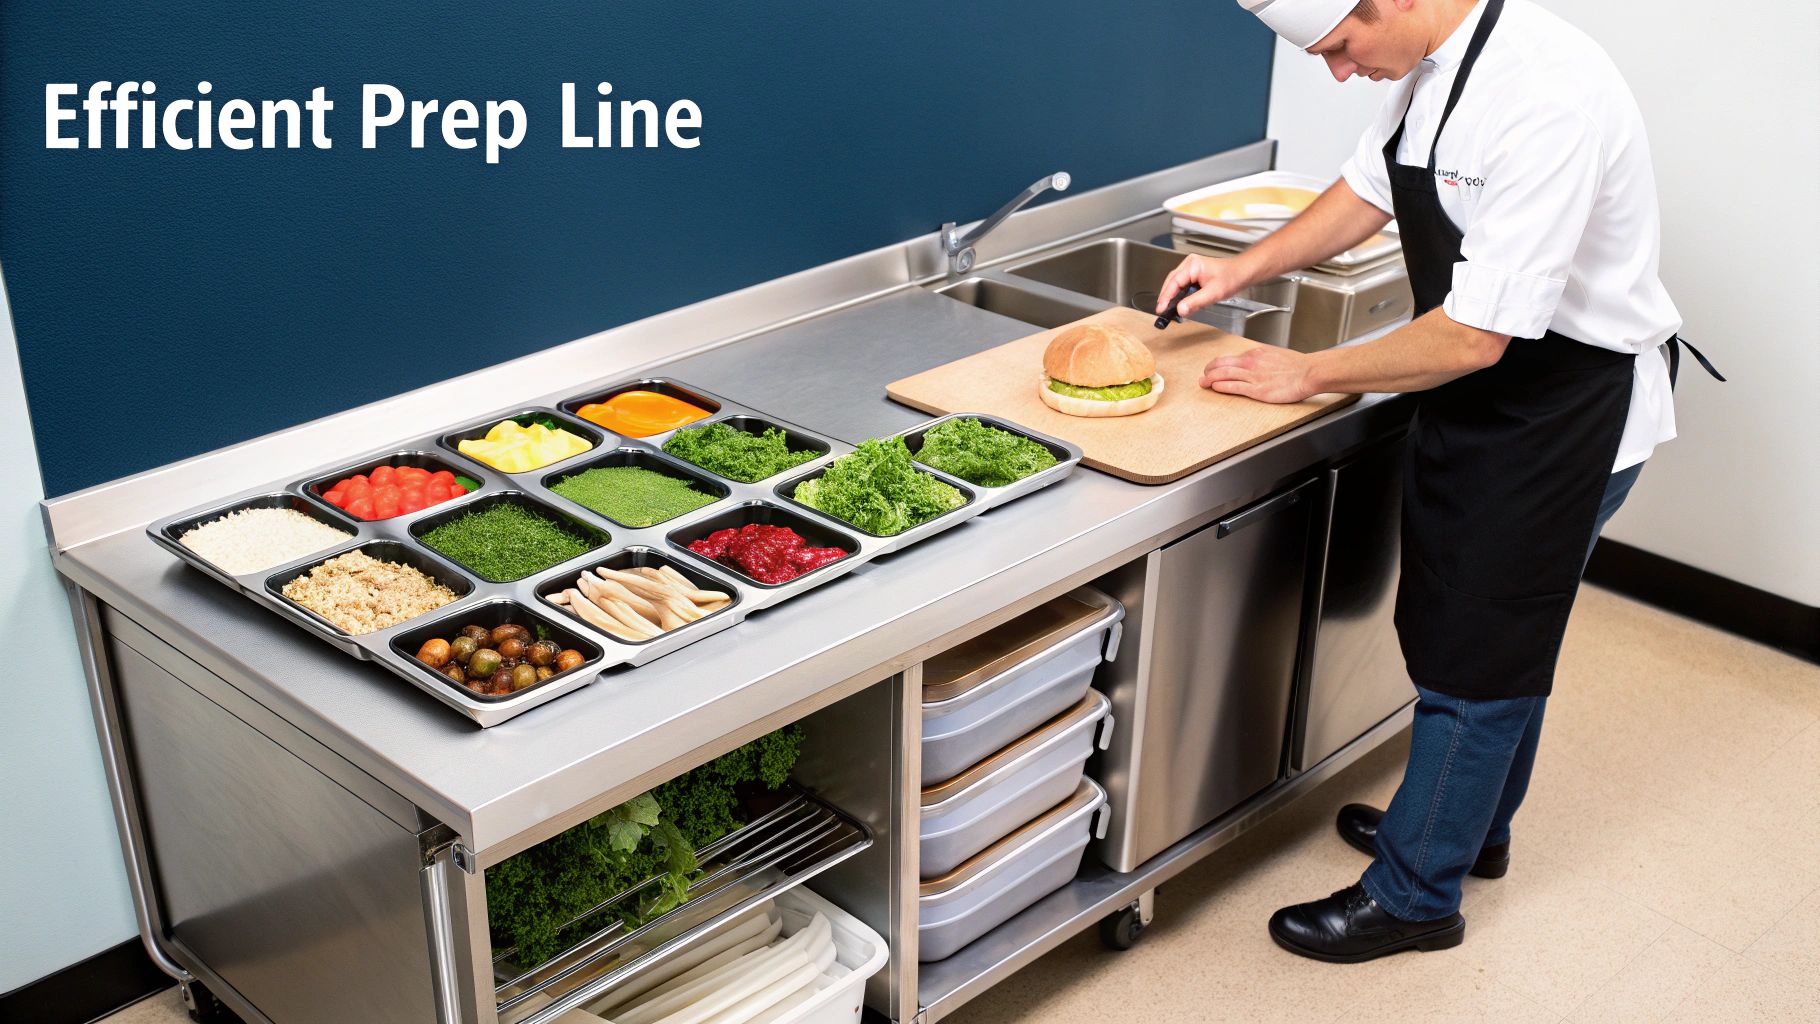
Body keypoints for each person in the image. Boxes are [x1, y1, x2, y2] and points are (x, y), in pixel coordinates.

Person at [1156, 0, 1722, 963]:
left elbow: (1472, 333)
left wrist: (1307, 372)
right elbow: (1366, 189)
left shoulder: (1547, 95)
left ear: (1396, 1)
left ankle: (1419, 894)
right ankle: (1464, 829)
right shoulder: (1432, 63)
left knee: (1480, 657)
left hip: (1563, 412)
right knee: (1487, 630)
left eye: (1340, 47)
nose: (1337, 72)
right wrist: (1240, 269)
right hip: (1488, 401)